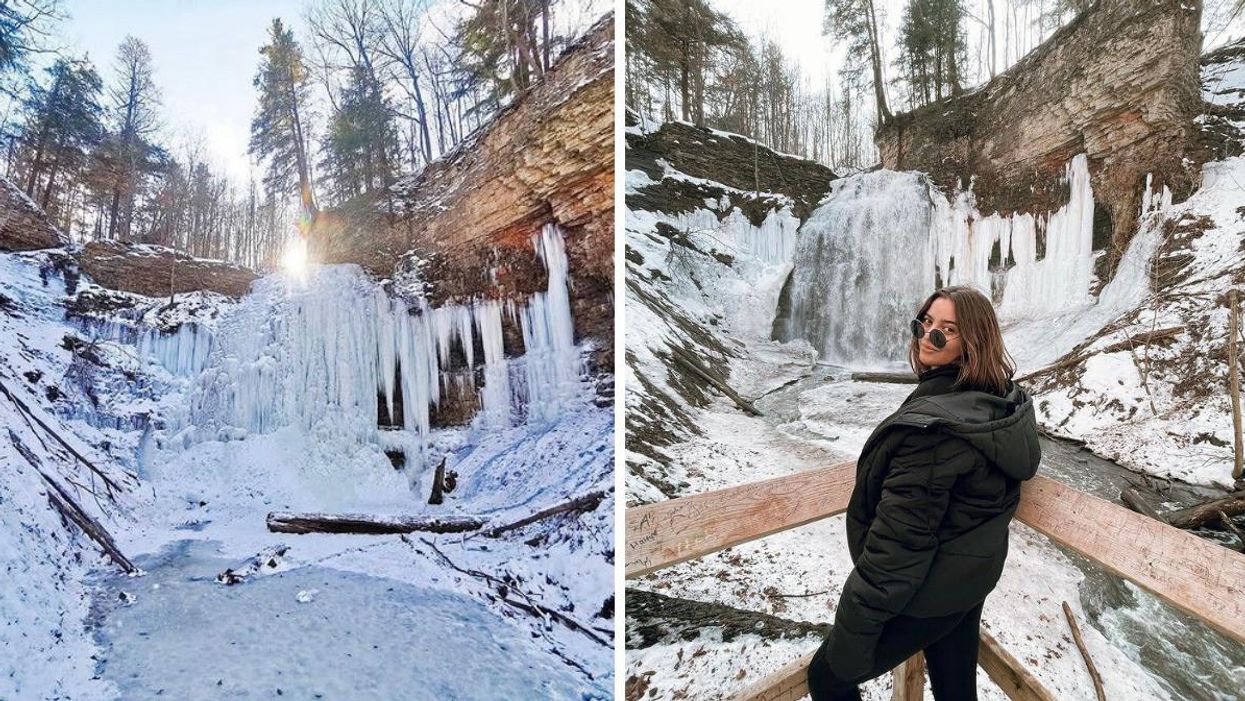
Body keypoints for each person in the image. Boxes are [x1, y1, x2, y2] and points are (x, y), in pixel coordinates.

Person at [806, 285, 1041, 700]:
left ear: (974, 341)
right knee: (955, 688)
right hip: (969, 575)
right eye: (924, 324)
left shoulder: (933, 433)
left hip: (929, 588)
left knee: (829, 676)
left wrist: (856, 629)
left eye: (945, 330)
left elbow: (898, 547)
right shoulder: (995, 400)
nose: (927, 336)